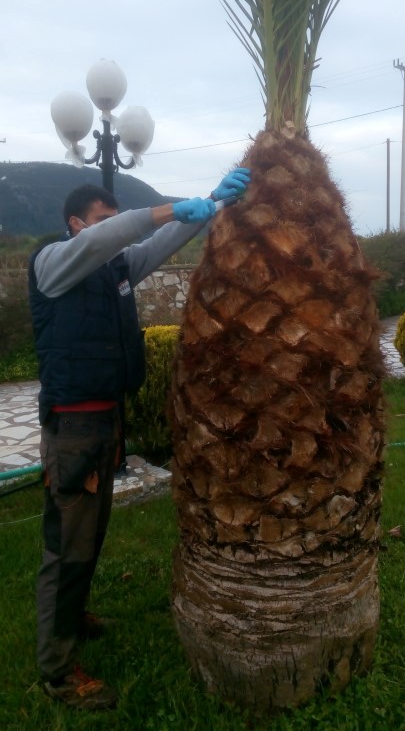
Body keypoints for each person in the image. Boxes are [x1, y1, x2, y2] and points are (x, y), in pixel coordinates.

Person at [28, 168, 250, 711]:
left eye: (114, 218)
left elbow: (156, 242)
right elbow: (112, 236)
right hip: (73, 428)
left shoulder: (116, 268)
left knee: (91, 533)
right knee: (68, 546)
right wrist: (168, 207)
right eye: (101, 219)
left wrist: (212, 203)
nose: (113, 228)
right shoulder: (52, 263)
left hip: (106, 420)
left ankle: (74, 617)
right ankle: (57, 671)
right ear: (75, 224)